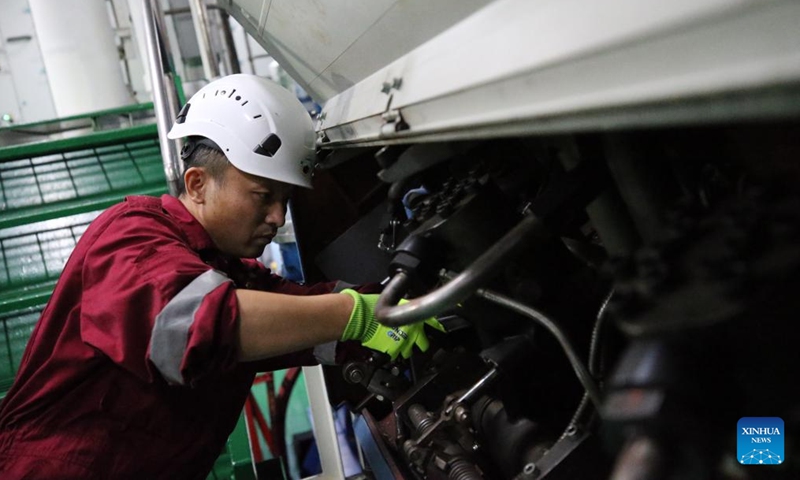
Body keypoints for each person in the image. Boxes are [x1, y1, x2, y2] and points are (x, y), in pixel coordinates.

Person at [0, 74, 439, 479]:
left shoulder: (230, 272)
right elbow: (196, 325)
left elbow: (308, 315)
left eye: (285, 200)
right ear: (197, 185)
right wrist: (355, 315)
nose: (276, 217)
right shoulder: (130, 236)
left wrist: (403, 306)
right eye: (263, 196)